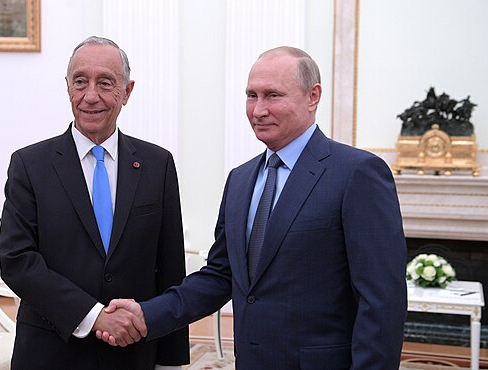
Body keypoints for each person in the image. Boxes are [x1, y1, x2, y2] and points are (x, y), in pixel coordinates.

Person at [100, 46, 407, 369]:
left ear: (313, 96)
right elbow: (221, 276)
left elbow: (382, 303)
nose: (258, 110)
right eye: (251, 95)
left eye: (273, 95)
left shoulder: (357, 174)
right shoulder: (240, 180)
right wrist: (148, 313)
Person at [0, 36, 189, 370]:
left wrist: (171, 361)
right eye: (80, 82)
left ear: (127, 92)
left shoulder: (158, 165)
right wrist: (94, 316)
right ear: (67, 87)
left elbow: (170, 267)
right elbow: (17, 260)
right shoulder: (30, 165)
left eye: (105, 83)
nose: (90, 96)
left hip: (134, 353)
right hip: (49, 352)